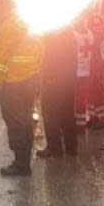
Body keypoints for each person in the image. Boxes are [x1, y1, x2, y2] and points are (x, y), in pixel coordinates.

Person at [0, 6, 43, 176]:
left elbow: (3, 57)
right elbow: (40, 53)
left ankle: (21, 164)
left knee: (15, 122)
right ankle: (24, 161)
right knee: (26, 120)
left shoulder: (9, 26)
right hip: (30, 80)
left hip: (12, 83)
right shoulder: (34, 25)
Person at [38, 25, 78, 158]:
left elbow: (51, 57)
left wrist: (48, 77)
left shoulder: (53, 33)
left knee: (50, 113)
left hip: (54, 79)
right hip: (69, 78)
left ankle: (54, 148)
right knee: (67, 112)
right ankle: (71, 147)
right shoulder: (70, 33)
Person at [85, 13, 104, 129]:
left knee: (98, 90)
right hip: (93, 62)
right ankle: (93, 116)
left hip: (100, 63)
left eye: (99, 26)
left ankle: (103, 119)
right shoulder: (94, 33)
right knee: (90, 90)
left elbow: (95, 47)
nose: (97, 29)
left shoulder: (100, 35)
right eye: (94, 27)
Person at [72, 19, 94, 134]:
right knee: (82, 99)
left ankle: (76, 126)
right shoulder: (90, 34)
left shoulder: (75, 37)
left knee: (74, 100)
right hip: (86, 71)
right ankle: (80, 125)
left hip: (77, 72)